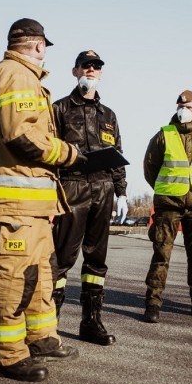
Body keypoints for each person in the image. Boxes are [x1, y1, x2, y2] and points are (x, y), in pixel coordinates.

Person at [0, 18, 86, 382]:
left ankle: (40, 338)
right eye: (44, 48)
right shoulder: (16, 75)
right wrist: (69, 153)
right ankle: (8, 355)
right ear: (39, 46)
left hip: (34, 202)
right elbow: (21, 136)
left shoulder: (21, 76)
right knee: (14, 275)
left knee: (40, 272)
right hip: (17, 200)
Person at [50, 50, 127, 346]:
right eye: (86, 66)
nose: (91, 70)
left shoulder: (109, 115)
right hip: (72, 188)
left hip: (104, 189)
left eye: (96, 67)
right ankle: (49, 325)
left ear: (101, 73)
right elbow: (49, 154)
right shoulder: (58, 108)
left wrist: (121, 192)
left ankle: (91, 321)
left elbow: (117, 156)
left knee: (96, 259)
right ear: (75, 71)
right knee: (63, 257)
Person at [142, 89, 192, 323]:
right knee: (161, 255)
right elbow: (150, 168)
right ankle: (153, 303)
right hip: (168, 206)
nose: (184, 110)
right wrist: (168, 189)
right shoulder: (163, 135)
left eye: (189, 107)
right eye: (181, 106)